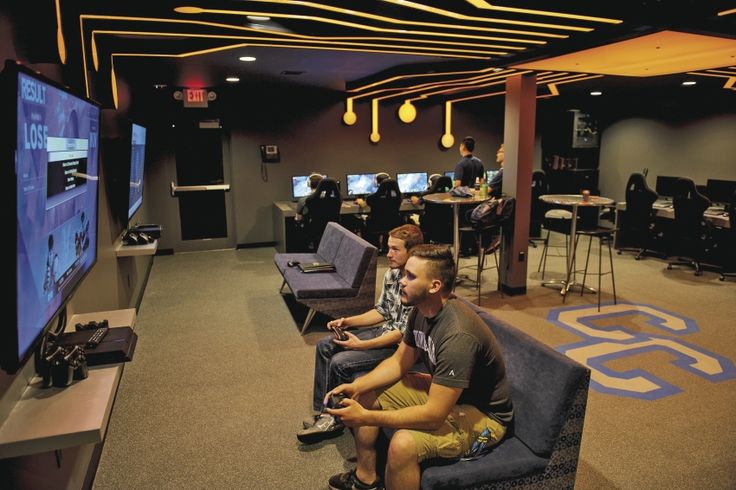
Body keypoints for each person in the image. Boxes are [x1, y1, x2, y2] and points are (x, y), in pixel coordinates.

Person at [325, 244, 513, 490]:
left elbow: (434, 415)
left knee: (403, 444)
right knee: (366, 393)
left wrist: (366, 417)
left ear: (434, 286)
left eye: (411, 276)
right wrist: (355, 385)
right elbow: (398, 362)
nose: (402, 281)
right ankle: (366, 479)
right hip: (448, 394)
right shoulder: (421, 311)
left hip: (485, 417)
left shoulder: (458, 335)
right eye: (404, 273)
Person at [298, 224, 425, 444]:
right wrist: (348, 322)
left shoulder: (416, 284)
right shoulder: (392, 274)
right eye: (388, 247)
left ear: (411, 253)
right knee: (324, 346)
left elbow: (401, 335)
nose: (388, 253)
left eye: (395, 249)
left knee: (340, 361)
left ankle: (332, 418)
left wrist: (362, 345)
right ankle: (323, 413)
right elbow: (382, 310)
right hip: (384, 332)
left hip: (399, 346)